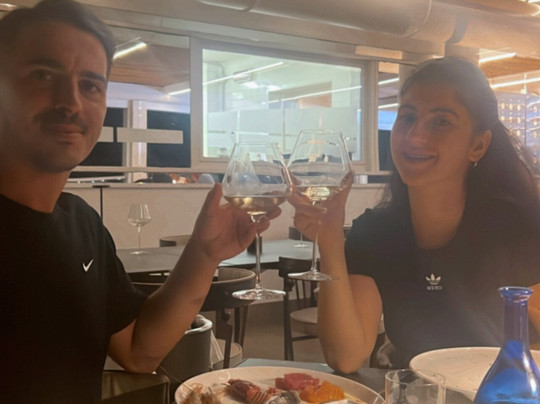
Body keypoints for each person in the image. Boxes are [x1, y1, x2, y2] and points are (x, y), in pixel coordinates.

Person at [0, 1, 280, 402]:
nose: (71, 102)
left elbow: (139, 350)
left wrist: (204, 254)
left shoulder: (82, 224)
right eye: (43, 75)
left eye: (90, 85)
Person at [289, 57, 540, 372]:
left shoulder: (521, 232)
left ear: (478, 145)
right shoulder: (374, 233)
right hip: (413, 391)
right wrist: (329, 241)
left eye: (441, 122)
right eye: (407, 117)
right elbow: (346, 356)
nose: (414, 136)